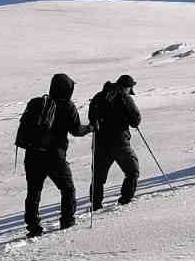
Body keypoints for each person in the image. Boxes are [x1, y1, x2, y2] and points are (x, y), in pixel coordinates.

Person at [23, 73, 90, 237]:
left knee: (33, 192)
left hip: (32, 155)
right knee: (67, 189)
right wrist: (91, 128)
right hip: (55, 157)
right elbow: (76, 131)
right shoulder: (67, 106)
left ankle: (33, 228)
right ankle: (67, 221)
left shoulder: (37, 103)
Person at [88, 75, 141, 211]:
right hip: (120, 143)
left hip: (100, 144)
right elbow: (135, 121)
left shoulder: (99, 96)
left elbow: (91, 118)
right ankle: (125, 201)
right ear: (127, 87)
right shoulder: (125, 98)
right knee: (132, 171)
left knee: (98, 178)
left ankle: (95, 206)